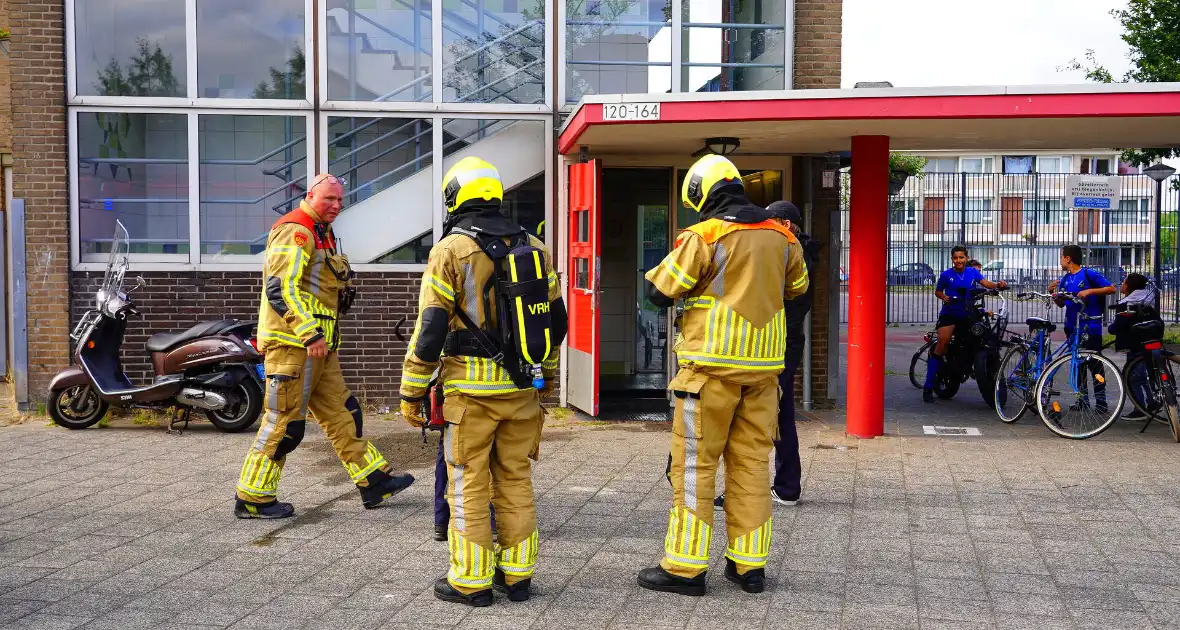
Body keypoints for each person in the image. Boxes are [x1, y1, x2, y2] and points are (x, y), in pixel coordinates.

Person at [399, 156, 567, 607]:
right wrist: (543, 373)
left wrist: (412, 389)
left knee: (468, 482)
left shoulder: (450, 249)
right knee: (515, 478)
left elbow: (431, 327)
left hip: (470, 392)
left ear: (454, 197)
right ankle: (518, 577)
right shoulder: (535, 245)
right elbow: (555, 320)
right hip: (520, 390)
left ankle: (470, 582)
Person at [639, 154, 809, 597]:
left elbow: (657, 292)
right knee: (752, 466)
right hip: (764, 373)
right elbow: (798, 288)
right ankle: (748, 567)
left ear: (700, 192)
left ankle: (685, 568)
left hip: (710, 372)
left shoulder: (705, 234)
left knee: (695, 468)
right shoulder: (782, 236)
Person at [234, 173, 415, 519]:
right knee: (285, 425)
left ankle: (373, 481)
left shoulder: (322, 233)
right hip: (295, 345)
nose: (336, 206)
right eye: (329, 199)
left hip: (320, 349)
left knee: (344, 413)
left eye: (340, 201)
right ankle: (252, 497)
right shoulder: (296, 230)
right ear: (311, 196)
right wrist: (310, 332)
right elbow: (281, 289)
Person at [713, 200, 820, 512]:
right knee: (777, 413)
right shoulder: (794, 251)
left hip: (779, 343)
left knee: (760, 416)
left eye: (770, 224)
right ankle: (783, 486)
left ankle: (767, 488)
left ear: (785, 225)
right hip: (780, 342)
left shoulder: (793, 253)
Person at [922, 246, 1007, 403]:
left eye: (961, 257)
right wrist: (944, 297)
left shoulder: (972, 272)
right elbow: (938, 291)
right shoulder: (946, 275)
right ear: (952, 259)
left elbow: (986, 283)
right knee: (943, 343)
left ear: (966, 258)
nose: (958, 261)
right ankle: (928, 386)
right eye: (955, 258)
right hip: (950, 314)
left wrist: (998, 285)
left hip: (968, 313)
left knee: (983, 335)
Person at [1110, 272, 1159, 420]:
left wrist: (1112, 328)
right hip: (1150, 341)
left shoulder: (1128, 303)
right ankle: (1152, 402)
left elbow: (1118, 326)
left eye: (1124, 281)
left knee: (1134, 377)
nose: (1122, 284)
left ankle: (1141, 408)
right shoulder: (1147, 300)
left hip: (1134, 344)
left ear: (1129, 285)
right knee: (1144, 374)